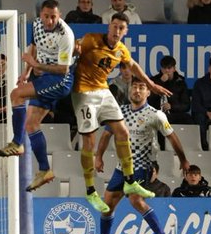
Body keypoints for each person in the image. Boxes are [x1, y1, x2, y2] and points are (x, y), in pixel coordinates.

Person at [72, 13, 173, 212]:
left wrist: (151, 84)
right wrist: (74, 50)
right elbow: (73, 47)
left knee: (123, 132)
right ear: (109, 26)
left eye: (121, 28)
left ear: (125, 31)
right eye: (114, 26)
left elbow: (132, 64)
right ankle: (91, 191)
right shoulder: (91, 39)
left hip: (102, 89)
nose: (117, 31)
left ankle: (129, 181)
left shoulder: (121, 50)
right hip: (83, 92)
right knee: (89, 142)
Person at [87, 77, 189, 234]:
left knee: (134, 199)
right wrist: (99, 157)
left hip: (143, 165)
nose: (137, 90)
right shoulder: (120, 112)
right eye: (134, 87)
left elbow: (172, 137)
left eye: (142, 87)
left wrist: (183, 160)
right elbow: (106, 135)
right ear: (129, 91)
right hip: (122, 166)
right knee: (108, 204)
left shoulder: (155, 115)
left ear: (148, 92)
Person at [0, 1, 75, 194]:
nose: (49, 20)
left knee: (16, 94)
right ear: (41, 15)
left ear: (59, 15)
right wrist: (27, 71)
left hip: (60, 80)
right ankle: (45, 170)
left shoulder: (66, 35)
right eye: (46, 16)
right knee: (31, 124)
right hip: (43, 76)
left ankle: (17, 143)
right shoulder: (37, 25)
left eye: (53, 16)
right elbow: (34, 48)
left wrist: (36, 65)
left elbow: (64, 70)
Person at [146, 55, 193, 127]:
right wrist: (160, 82)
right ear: (161, 69)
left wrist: (172, 106)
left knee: (188, 119)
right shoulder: (153, 81)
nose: (167, 71)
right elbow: (149, 100)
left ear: (174, 69)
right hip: (157, 113)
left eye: (169, 68)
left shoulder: (180, 82)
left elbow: (186, 106)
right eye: (164, 68)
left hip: (174, 113)